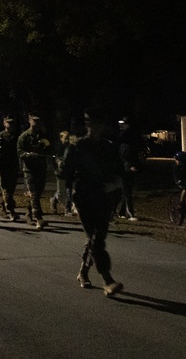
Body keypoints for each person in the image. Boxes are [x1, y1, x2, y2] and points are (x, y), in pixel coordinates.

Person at [62, 111, 124, 297]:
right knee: (95, 239)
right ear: (88, 126)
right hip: (83, 196)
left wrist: (115, 183)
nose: (96, 128)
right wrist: (70, 199)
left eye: (99, 124)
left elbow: (119, 170)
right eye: (92, 124)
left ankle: (83, 272)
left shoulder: (108, 147)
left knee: (97, 238)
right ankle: (107, 280)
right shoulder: (78, 146)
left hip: (103, 197)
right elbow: (66, 172)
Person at [17, 113, 52, 229]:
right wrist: (28, 155)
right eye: (34, 121)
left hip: (41, 167)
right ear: (29, 121)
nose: (36, 123)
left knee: (38, 192)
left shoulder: (43, 135)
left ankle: (29, 213)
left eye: (38, 121)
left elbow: (49, 149)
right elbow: (19, 152)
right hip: (29, 169)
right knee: (33, 193)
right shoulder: (24, 136)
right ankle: (38, 217)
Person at [0, 116, 20, 220]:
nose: (10, 125)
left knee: (11, 189)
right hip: (2, 166)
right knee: (5, 189)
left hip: (13, 166)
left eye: (11, 123)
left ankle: (3, 208)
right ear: (4, 123)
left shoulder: (16, 136)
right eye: (8, 123)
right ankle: (12, 211)